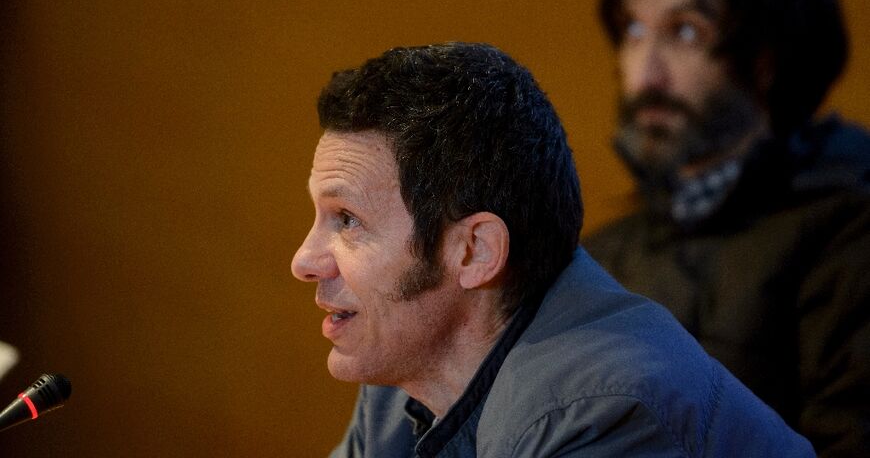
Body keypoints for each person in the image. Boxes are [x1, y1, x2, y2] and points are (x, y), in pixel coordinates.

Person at [292, 42, 813, 457]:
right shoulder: (403, 380)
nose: (304, 262)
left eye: (347, 220)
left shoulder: (604, 414)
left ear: (474, 250)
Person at [583, 0, 870, 457]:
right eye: (634, 32)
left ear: (769, 57)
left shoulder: (850, 237)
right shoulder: (600, 260)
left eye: (686, 31)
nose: (645, 76)